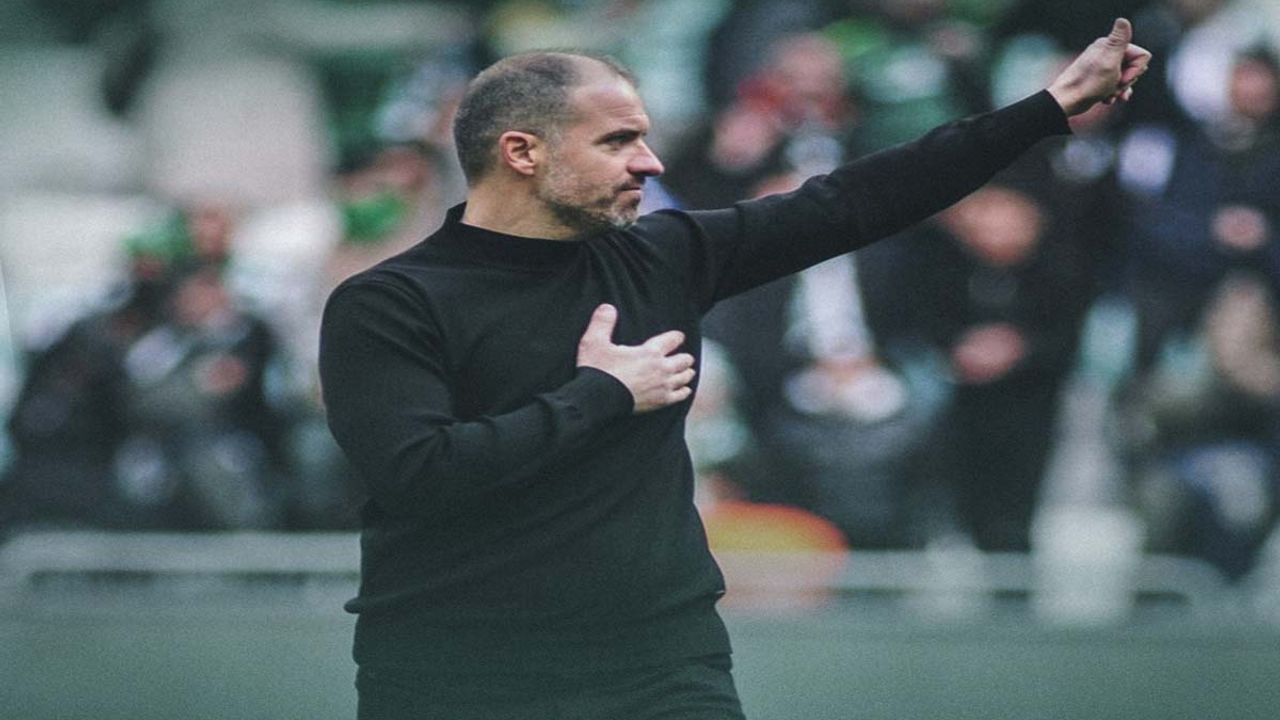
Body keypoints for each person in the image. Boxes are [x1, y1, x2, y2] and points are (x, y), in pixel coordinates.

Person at [318, 20, 1150, 720]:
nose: (650, 163)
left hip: (661, 666)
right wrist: (602, 396)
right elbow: (419, 473)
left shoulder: (663, 256)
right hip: (459, 673)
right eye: (618, 140)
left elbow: (855, 201)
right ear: (521, 152)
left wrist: (1046, 110)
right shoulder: (389, 303)